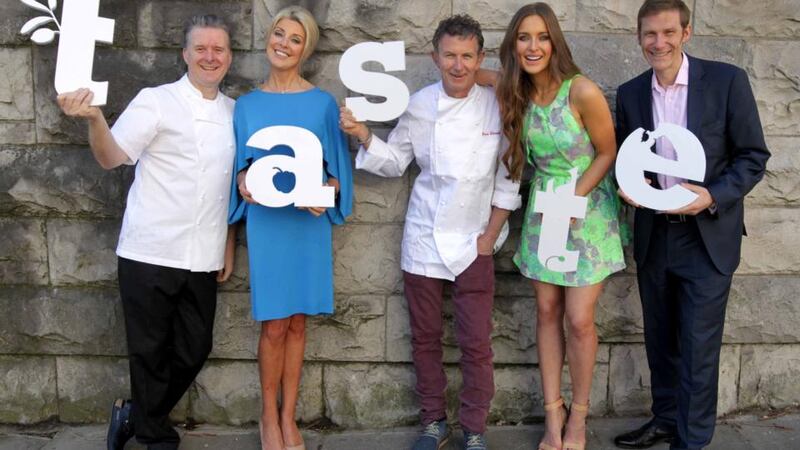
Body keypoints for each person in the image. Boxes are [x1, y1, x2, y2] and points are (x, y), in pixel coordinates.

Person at [56, 14, 237, 450]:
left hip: (204, 252)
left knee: (195, 348)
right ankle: (156, 437)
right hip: (150, 249)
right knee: (149, 350)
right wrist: (96, 120)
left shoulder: (236, 112)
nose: (210, 57)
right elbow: (112, 156)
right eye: (201, 49)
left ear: (229, 57)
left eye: (219, 49)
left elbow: (231, 186)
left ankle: (133, 414)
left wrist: (230, 244)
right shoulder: (156, 101)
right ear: (185, 55)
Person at [340, 14, 521, 450]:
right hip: (423, 236)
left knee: (476, 342)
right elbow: (395, 162)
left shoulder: (500, 103)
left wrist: (488, 237)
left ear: (480, 59)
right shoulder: (419, 105)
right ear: (434, 56)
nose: (457, 65)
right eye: (449, 56)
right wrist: (364, 136)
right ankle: (433, 423)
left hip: (476, 240)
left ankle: (474, 429)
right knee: (425, 338)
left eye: (466, 56)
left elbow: (509, 177)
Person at [612, 1, 770, 449]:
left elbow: (753, 157)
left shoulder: (725, 82)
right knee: (660, 340)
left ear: (687, 33)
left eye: (667, 32)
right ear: (639, 37)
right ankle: (665, 420)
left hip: (707, 236)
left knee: (699, 347)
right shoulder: (630, 93)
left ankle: (691, 439)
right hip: (655, 235)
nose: (657, 43)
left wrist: (712, 195)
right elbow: (632, 159)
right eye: (649, 34)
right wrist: (631, 186)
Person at [493, 3, 627, 450]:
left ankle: (580, 418)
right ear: (514, 45)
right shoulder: (517, 94)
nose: (533, 46)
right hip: (543, 211)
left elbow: (608, 153)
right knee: (547, 313)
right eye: (524, 37)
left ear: (555, 42)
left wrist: (576, 198)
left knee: (579, 319)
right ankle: (554, 415)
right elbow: (479, 77)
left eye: (542, 36)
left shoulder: (581, 90)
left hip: (586, 211)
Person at [228, 6, 353, 450]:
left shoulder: (321, 104)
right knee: (273, 325)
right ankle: (267, 417)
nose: (283, 43)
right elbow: (236, 171)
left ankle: (288, 416)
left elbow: (339, 178)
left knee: (299, 323)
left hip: (306, 225)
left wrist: (325, 194)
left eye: (295, 39)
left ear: (306, 49)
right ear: (269, 38)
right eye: (279, 33)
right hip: (268, 225)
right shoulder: (246, 106)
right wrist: (243, 181)